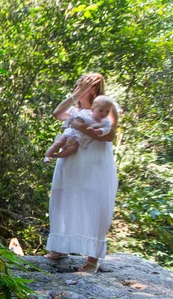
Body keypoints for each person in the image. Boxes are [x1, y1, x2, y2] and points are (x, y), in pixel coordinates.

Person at [45, 73, 119, 272]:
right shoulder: (75, 110)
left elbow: (109, 135)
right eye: (77, 84)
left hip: (95, 162)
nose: (77, 86)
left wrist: (81, 127)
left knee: (93, 203)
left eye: (81, 84)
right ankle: (61, 247)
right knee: (64, 200)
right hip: (71, 162)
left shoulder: (106, 108)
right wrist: (77, 94)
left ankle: (92, 259)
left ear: (92, 88)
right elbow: (57, 113)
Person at [44, 95, 115, 163]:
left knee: (72, 150)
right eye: (101, 111)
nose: (104, 114)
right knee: (58, 143)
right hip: (70, 133)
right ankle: (47, 155)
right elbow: (72, 117)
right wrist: (65, 126)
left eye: (107, 111)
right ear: (93, 109)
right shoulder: (85, 113)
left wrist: (97, 131)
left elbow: (106, 130)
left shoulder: (106, 121)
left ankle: (56, 156)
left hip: (79, 140)